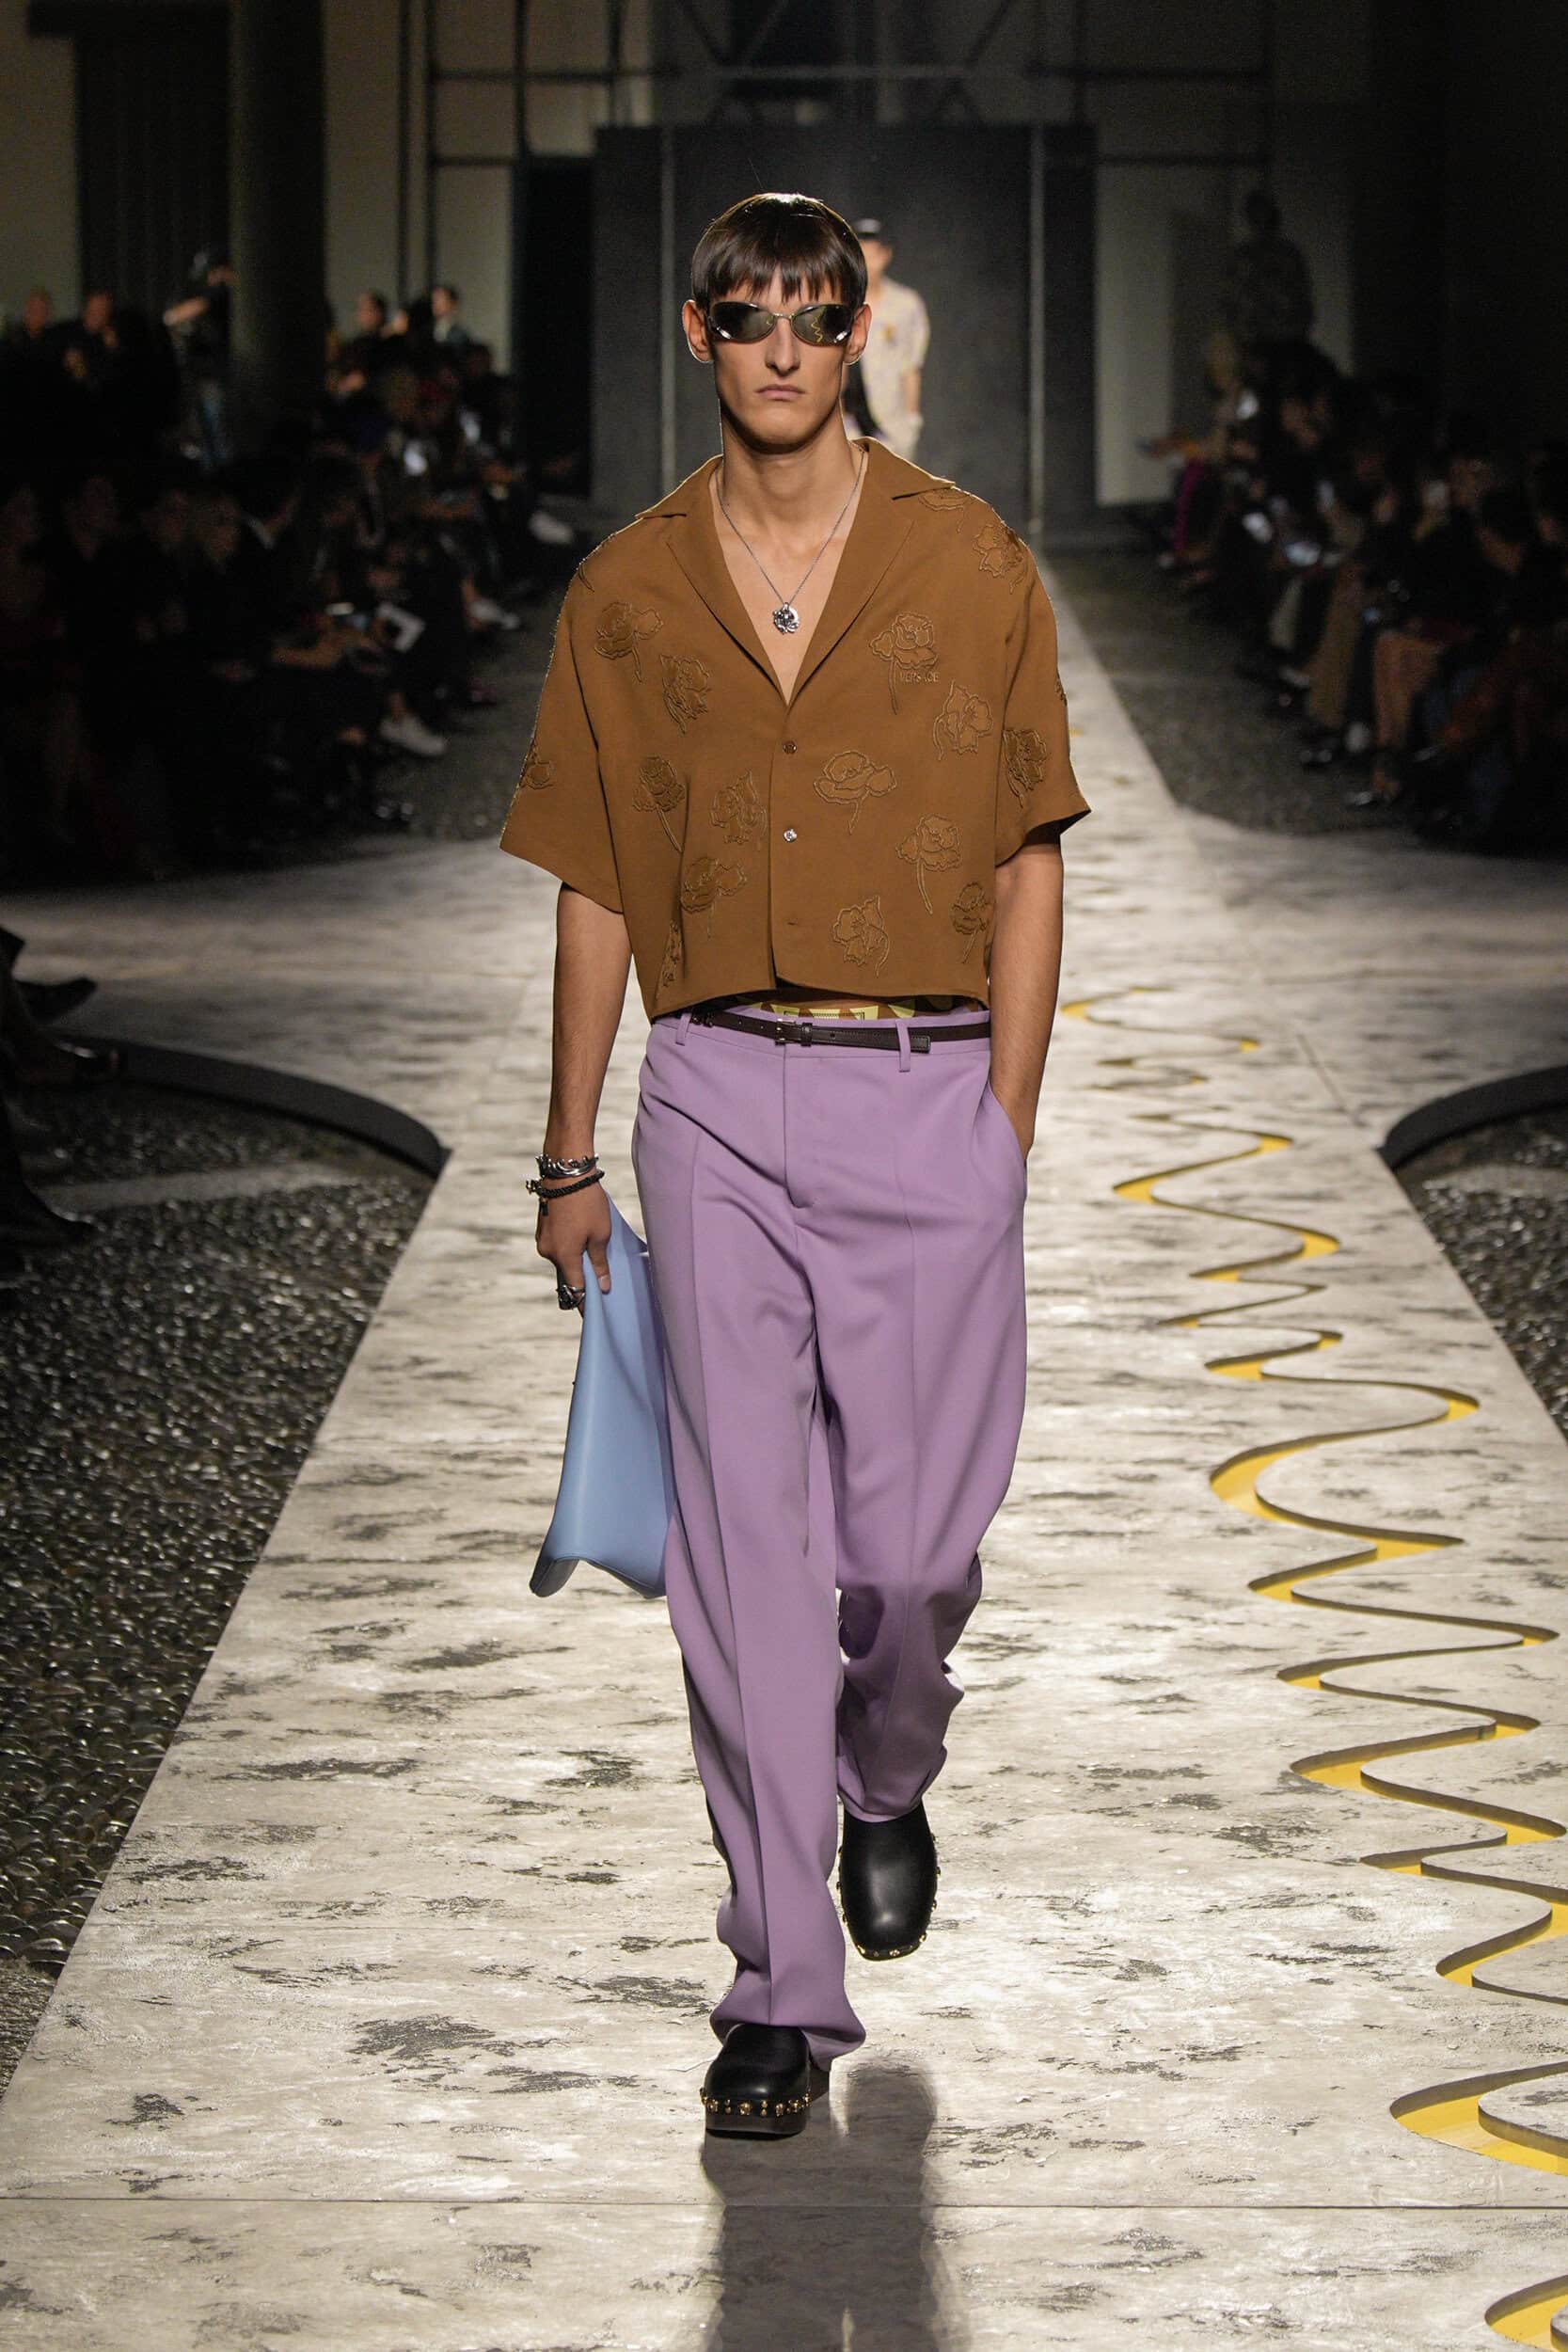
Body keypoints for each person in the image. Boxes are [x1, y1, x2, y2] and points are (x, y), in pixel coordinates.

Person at [497, 189, 1088, 2139]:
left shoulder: (967, 562)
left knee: (908, 1556)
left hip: (926, 1094)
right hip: (715, 1099)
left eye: (811, 317)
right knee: (743, 1566)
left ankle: (888, 1765)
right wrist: (566, 1155)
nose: (779, 348)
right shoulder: (624, 592)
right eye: (745, 316)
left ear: (853, 335)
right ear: (699, 335)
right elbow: (593, 879)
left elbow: (1026, 857)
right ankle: (774, 1982)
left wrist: (1002, 1128)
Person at [847, 216, 929, 461]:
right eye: (862, 254)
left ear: (885, 255)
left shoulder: (906, 305)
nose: (868, 262)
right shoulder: (839, 303)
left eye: (874, 254)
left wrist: (911, 419)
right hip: (849, 422)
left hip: (893, 424)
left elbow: (911, 366)